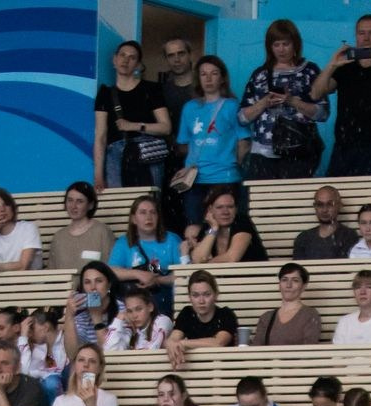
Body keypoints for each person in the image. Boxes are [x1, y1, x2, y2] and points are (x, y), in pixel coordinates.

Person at [314, 14, 371, 177]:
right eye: (361, 33)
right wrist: (332, 64)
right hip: (343, 147)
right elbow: (316, 93)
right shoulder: (345, 67)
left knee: (367, 199)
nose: (366, 38)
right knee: (336, 195)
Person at [239, 20, 324, 181]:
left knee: (294, 201)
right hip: (263, 154)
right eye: (276, 44)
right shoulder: (260, 74)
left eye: (286, 44)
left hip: (299, 152)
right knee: (262, 203)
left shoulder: (309, 71)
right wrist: (264, 103)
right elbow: (242, 118)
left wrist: (292, 101)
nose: (281, 49)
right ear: (269, 47)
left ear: (295, 45)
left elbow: (323, 113)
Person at [174, 54, 248, 230]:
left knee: (228, 228)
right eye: (203, 74)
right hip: (195, 180)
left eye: (214, 73)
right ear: (198, 78)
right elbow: (184, 143)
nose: (208, 78)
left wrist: (231, 163)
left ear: (222, 78)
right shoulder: (190, 107)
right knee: (194, 227)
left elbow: (243, 142)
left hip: (226, 177)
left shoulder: (232, 105)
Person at [97, 40, 176, 193]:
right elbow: (100, 137)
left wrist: (134, 125)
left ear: (138, 65)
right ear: (114, 60)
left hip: (146, 150)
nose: (125, 60)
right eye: (122, 55)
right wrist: (98, 175)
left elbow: (166, 127)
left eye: (132, 58)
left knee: (148, 203)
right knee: (120, 206)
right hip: (115, 154)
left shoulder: (151, 89)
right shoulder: (105, 93)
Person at [165, 270, 241, 367]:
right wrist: (170, 343)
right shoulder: (187, 313)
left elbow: (218, 342)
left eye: (207, 294)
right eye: (195, 295)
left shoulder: (226, 314)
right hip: (196, 370)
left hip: (224, 369)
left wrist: (183, 343)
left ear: (216, 295)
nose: (201, 301)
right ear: (189, 297)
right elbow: (173, 339)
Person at [189, 190, 267, 265]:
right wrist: (214, 229)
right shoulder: (208, 227)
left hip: (251, 276)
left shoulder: (242, 222)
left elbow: (231, 258)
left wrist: (207, 264)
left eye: (230, 207)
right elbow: (198, 259)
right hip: (218, 276)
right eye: (219, 207)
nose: (225, 212)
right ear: (210, 209)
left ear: (236, 209)